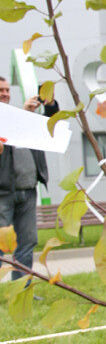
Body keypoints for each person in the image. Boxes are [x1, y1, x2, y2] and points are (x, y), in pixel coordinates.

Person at [0, 78, 57, 282]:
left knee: (27, 242)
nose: (5, 93)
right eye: (1, 90)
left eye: (7, 89)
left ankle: (22, 288)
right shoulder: (14, 118)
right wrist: (24, 115)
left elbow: (51, 121)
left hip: (28, 191)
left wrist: (49, 103)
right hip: (2, 193)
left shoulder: (22, 117)